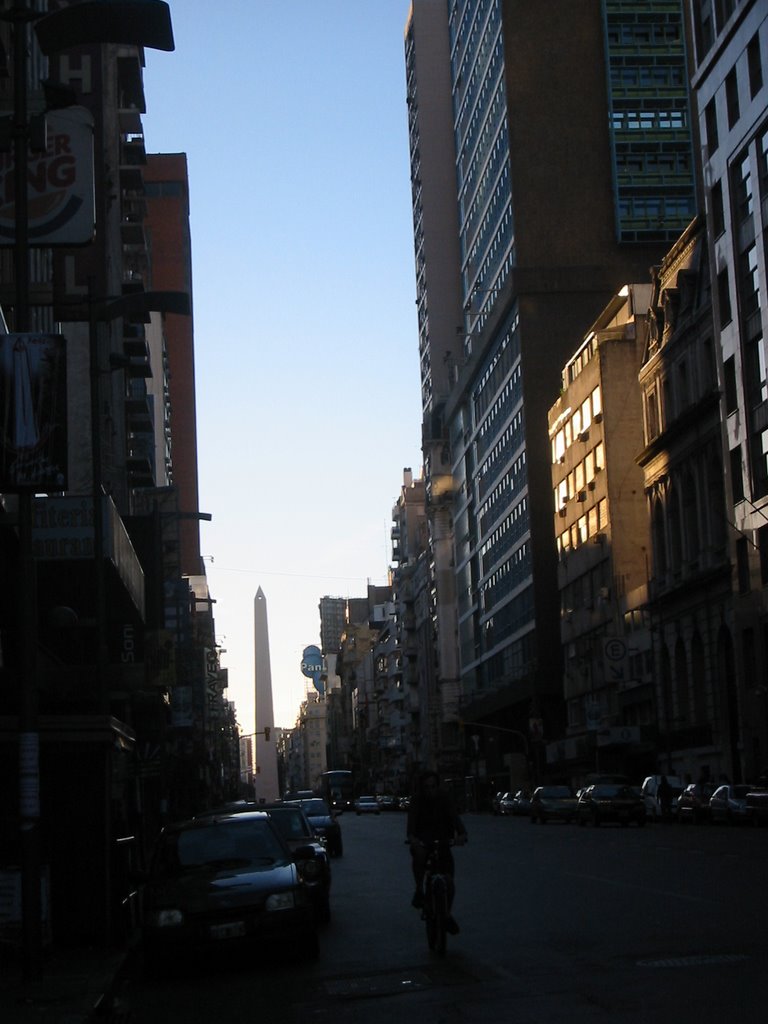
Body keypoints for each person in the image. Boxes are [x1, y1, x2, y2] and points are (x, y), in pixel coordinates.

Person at [406, 770, 467, 933]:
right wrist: (413, 839)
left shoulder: (444, 798)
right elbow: (411, 826)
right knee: (419, 855)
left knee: (449, 882)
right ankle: (419, 890)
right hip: (424, 843)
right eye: (426, 787)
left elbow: (455, 819)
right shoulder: (417, 801)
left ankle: (446, 915)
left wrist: (461, 834)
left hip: (443, 843)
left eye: (433, 786)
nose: (430, 790)